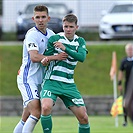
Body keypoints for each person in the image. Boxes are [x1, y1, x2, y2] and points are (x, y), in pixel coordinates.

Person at [13, 5, 67, 133]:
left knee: (26, 117)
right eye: (38, 17)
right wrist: (56, 57)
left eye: (43, 17)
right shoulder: (32, 34)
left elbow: (60, 49)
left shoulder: (51, 35)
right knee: (36, 112)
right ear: (33, 19)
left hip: (41, 80)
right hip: (28, 79)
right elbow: (34, 56)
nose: (40, 20)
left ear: (48, 18)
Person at [40, 14, 90, 133]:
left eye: (71, 27)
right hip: (51, 81)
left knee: (84, 117)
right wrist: (46, 60)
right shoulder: (55, 39)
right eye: (66, 26)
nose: (68, 29)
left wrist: (65, 48)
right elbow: (47, 57)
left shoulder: (80, 41)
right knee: (46, 107)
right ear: (63, 26)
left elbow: (82, 57)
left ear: (76, 27)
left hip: (68, 84)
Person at [118, 43, 133, 126]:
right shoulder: (124, 61)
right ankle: (125, 120)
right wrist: (119, 83)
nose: (130, 51)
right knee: (126, 103)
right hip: (128, 85)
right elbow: (120, 72)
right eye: (128, 50)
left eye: (131, 49)